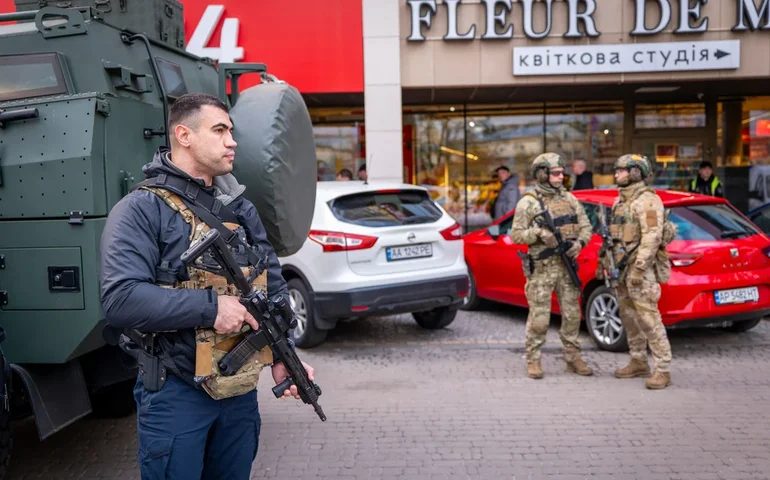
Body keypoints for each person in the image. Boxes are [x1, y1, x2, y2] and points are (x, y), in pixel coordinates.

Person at [99, 93, 315, 479]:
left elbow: (273, 286)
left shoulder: (241, 208)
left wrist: (285, 357)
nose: (232, 140)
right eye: (220, 130)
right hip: (176, 392)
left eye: (231, 130)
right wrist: (212, 308)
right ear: (184, 135)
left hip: (238, 392)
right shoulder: (141, 209)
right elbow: (120, 298)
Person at [510, 153, 594, 379]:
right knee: (539, 318)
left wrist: (580, 244)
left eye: (561, 172)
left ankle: (573, 357)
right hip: (542, 268)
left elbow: (586, 227)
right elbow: (516, 235)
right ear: (542, 174)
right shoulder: (528, 202)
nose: (561, 176)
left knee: (573, 315)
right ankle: (533, 359)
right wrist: (538, 233)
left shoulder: (569, 199)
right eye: (556, 173)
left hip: (566, 268)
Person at [599, 154, 673, 390]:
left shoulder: (647, 201)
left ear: (635, 172)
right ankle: (638, 360)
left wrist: (639, 268)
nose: (616, 174)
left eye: (620, 170)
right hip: (620, 269)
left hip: (640, 271)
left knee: (649, 319)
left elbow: (652, 237)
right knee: (629, 317)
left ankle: (662, 369)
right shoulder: (619, 202)